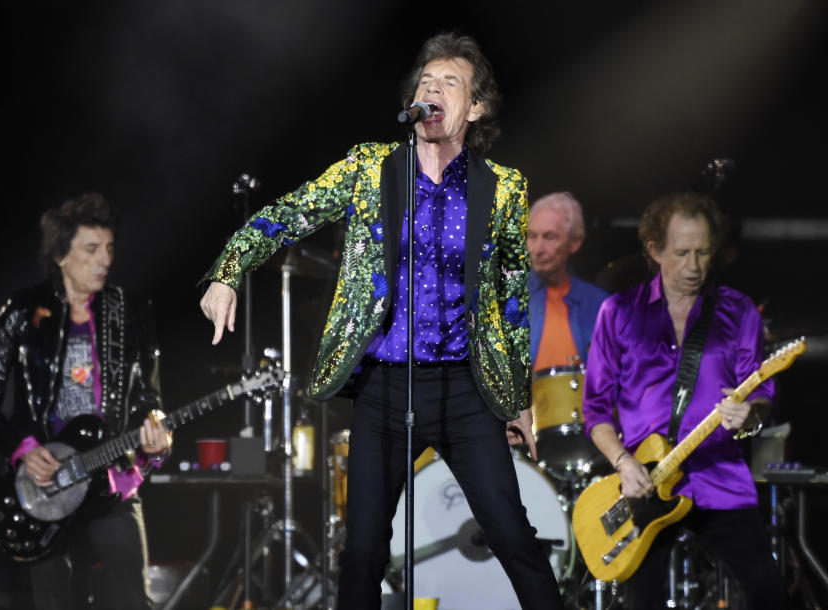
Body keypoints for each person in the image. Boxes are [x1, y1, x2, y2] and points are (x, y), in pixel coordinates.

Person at [199, 32, 562, 610]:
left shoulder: (504, 189)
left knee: (512, 535)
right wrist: (228, 269)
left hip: (466, 386)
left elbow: (510, 297)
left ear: (475, 108)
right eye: (425, 80)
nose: (431, 88)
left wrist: (518, 400)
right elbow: (292, 212)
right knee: (364, 548)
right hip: (386, 386)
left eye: (449, 83)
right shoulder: (371, 169)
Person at [0, 193, 170, 610]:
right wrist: (21, 448)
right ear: (61, 255)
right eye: (91, 249)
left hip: (111, 479)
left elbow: (150, 399)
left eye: (109, 249)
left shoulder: (130, 312)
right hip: (46, 488)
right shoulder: (23, 312)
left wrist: (158, 437)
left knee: (133, 601)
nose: (104, 260)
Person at [582, 191, 787, 609]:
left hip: (719, 476)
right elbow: (596, 411)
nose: (694, 267)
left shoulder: (739, 311)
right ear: (654, 250)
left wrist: (748, 416)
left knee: (769, 592)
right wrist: (623, 462)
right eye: (681, 253)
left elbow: (762, 395)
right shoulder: (619, 312)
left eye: (703, 252)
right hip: (645, 482)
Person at [526, 191, 608, 371]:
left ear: (575, 242)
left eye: (549, 237)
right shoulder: (504, 298)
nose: (538, 249)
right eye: (532, 236)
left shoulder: (599, 304)